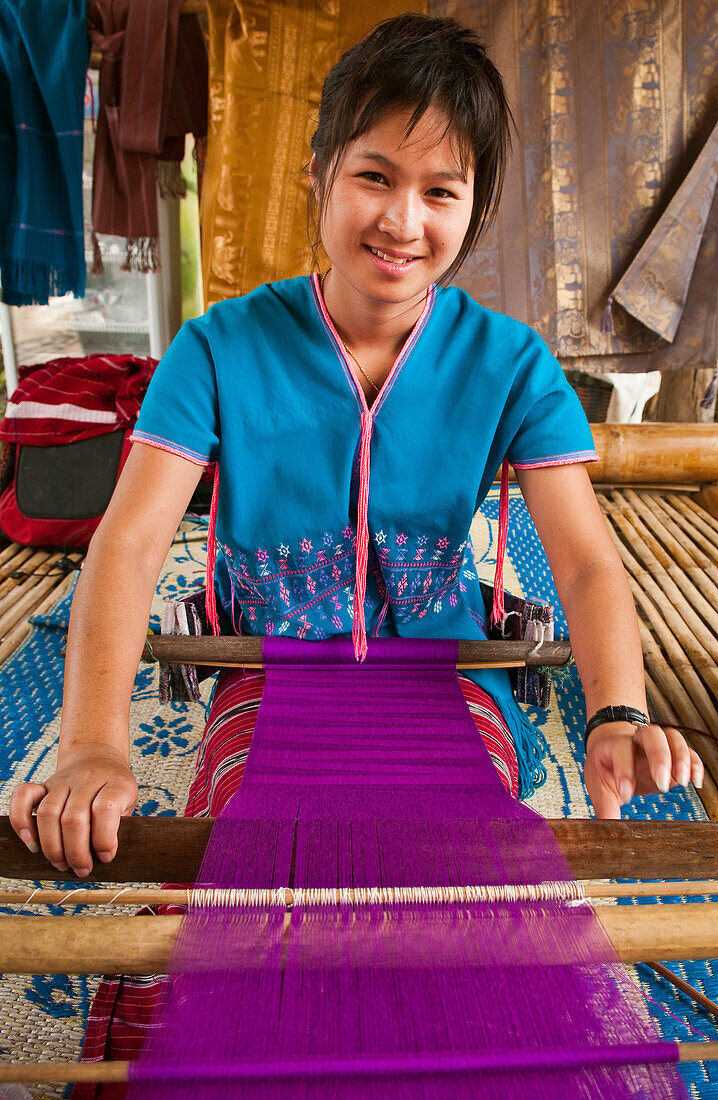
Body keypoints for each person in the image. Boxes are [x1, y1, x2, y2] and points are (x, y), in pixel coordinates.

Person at [8, 12, 704, 1089]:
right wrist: (94, 742)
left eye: (441, 192)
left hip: (446, 683)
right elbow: (133, 539)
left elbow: (585, 559)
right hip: (269, 679)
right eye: (374, 175)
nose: (401, 220)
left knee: (470, 891)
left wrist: (616, 709)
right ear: (321, 173)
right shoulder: (219, 345)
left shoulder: (510, 361)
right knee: (229, 851)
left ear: (473, 210)